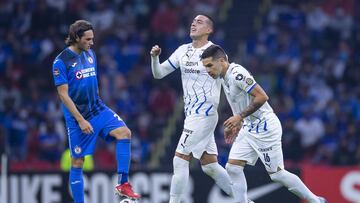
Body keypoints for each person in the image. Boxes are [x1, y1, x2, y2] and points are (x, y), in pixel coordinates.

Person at [200, 44, 327, 203]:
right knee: (232, 167)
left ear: (222, 61)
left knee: (277, 175)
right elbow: (240, 102)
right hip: (249, 127)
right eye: (205, 67)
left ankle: (316, 201)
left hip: (265, 127)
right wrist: (237, 124)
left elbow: (262, 96)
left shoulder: (237, 74)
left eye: (210, 65)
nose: (208, 70)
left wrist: (239, 116)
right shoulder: (223, 78)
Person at [150, 14, 244, 203]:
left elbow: (228, 83)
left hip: (206, 114)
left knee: (180, 159)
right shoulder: (182, 51)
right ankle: (243, 200)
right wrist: (155, 58)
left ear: (209, 30)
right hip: (191, 115)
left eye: (199, 22)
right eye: (192, 21)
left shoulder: (215, 52)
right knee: (209, 166)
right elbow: (159, 74)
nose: (194, 24)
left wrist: (237, 116)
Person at [52, 20, 140, 203]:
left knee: (125, 133)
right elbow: (63, 95)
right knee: (77, 162)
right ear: (76, 38)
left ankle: (123, 184)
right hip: (78, 118)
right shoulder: (61, 62)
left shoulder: (90, 54)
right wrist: (81, 120)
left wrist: (98, 103)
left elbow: (93, 82)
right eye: (88, 39)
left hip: (98, 109)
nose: (92, 42)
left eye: (93, 38)